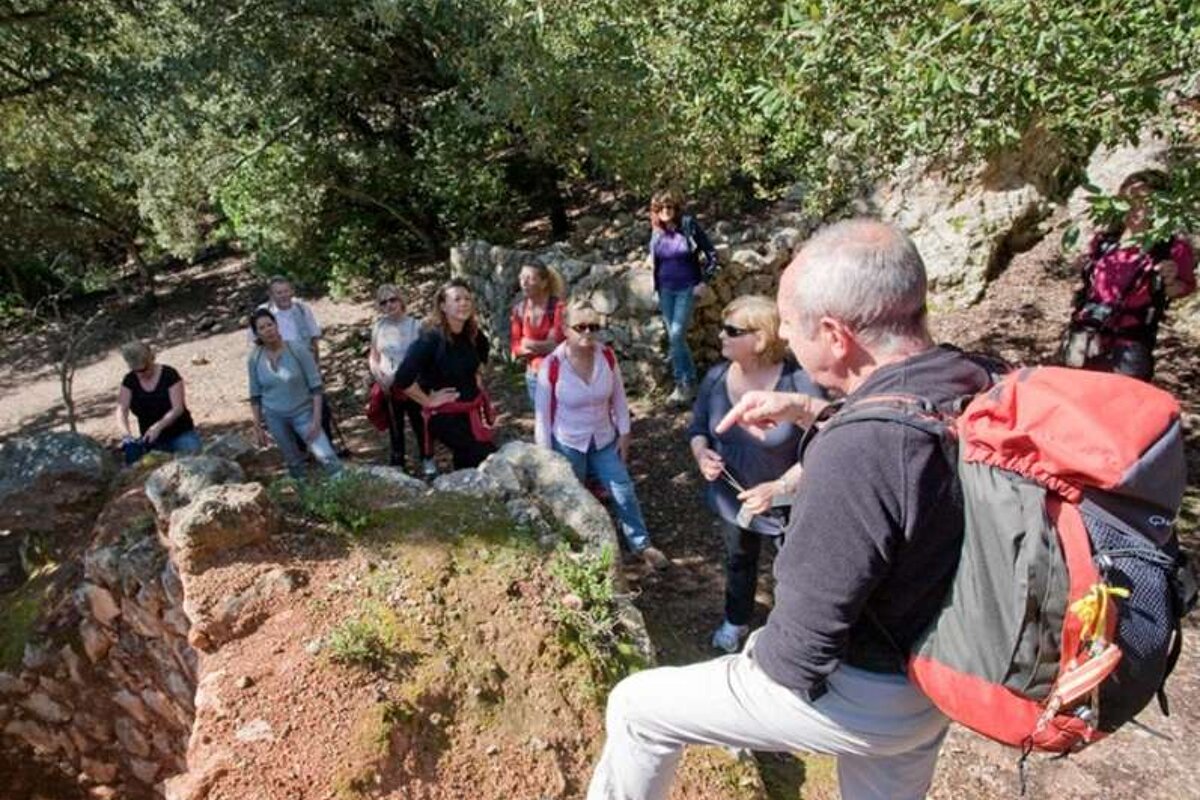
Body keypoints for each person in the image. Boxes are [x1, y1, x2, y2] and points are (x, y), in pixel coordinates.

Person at [587, 219, 993, 800]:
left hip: (870, 692)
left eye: (790, 324)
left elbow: (797, 658)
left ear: (834, 335)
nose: (784, 337)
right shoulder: (972, 379)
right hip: (939, 676)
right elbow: (905, 446)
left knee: (636, 706)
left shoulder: (858, 451)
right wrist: (809, 409)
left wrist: (754, 657)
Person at [687, 295, 823, 654]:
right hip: (733, 499)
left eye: (731, 330)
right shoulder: (716, 377)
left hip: (790, 503)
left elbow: (825, 446)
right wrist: (701, 454)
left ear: (760, 338)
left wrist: (779, 487)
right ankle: (736, 620)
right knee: (738, 560)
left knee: (794, 571)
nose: (720, 335)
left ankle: (793, 636)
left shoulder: (799, 382)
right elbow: (698, 428)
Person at [535, 301, 668, 570]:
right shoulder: (552, 365)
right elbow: (542, 416)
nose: (588, 332)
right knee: (573, 498)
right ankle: (576, 550)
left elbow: (619, 397)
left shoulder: (606, 356)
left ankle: (641, 544)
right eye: (580, 326)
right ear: (565, 329)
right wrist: (546, 457)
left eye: (594, 327)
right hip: (568, 441)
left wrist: (625, 433)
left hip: (604, 438)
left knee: (623, 490)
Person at [1061, 169, 1196, 380]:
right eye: (1128, 200)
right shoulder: (1104, 242)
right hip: (1085, 336)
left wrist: (1168, 281)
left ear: (1162, 207)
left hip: (1129, 344)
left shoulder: (1172, 248)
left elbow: (1183, 288)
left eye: (1144, 201)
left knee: (1122, 399)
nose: (1135, 207)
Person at [393, 279, 496, 471]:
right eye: (457, 299)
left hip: (471, 413)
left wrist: (477, 378)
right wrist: (428, 401)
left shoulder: (473, 334)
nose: (463, 303)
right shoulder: (431, 339)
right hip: (445, 416)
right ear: (443, 306)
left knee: (467, 462)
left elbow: (481, 359)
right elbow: (402, 378)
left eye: (467, 298)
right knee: (488, 457)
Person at [252, 275, 345, 451]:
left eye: (286, 291)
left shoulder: (302, 309)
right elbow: (257, 343)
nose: (284, 296)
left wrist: (316, 365)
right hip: (280, 367)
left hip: (305, 364)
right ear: (271, 295)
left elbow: (313, 339)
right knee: (292, 409)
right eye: (279, 293)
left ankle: (327, 447)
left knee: (320, 407)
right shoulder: (264, 313)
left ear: (292, 291)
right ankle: (303, 450)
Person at [247, 309, 342, 479]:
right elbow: (255, 394)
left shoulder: (297, 350)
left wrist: (316, 419)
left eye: (270, 325)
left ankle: (344, 486)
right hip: (274, 416)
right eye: (262, 328)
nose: (268, 330)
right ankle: (303, 490)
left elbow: (316, 387)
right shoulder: (254, 358)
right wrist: (257, 425)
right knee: (293, 461)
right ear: (257, 334)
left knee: (326, 455)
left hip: (303, 412)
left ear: (277, 325)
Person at [648, 188, 718, 405]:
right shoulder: (656, 232)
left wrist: (704, 281)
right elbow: (656, 260)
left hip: (687, 288)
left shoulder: (688, 226)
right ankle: (689, 383)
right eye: (660, 208)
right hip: (665, 290)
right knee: (675, 337)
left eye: (669, 206)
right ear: (655, 211)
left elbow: (711, 254)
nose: (665, 211)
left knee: (677, 334)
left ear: (676, 208)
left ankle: (683, 383)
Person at [367, 284, 428, 472]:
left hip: (413, 384)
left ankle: (427, 459)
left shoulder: (416, 326)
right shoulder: (378, 327)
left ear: (401, 300)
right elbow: (374, 356)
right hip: (388, 387)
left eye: (392, 299)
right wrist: (378, 375)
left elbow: (425, 358)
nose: (389, 305)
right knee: (395, 425)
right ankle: (397, 462)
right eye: (383, 302)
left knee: (420, 424)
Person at [115, 341, 202, 463]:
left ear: (151, 360)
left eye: (144, 370)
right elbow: (121, 410)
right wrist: (126, 435)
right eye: (136, 371)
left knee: (193, 459)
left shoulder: (169, 374)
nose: (141, 375)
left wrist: (157, 427)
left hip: (180, 433)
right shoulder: (129, 381)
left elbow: (177, 408)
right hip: (152, 440)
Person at [510, 262, 566, 407]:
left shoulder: (558, 308)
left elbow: (556, 346)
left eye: (529, 278)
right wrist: (542, 346)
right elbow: (515, 347)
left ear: (543, 283)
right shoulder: (519, 310)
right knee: (541, 418)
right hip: (533, 376)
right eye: (522, 278)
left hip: (560, 376)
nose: (524, 283)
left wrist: (527, 343)